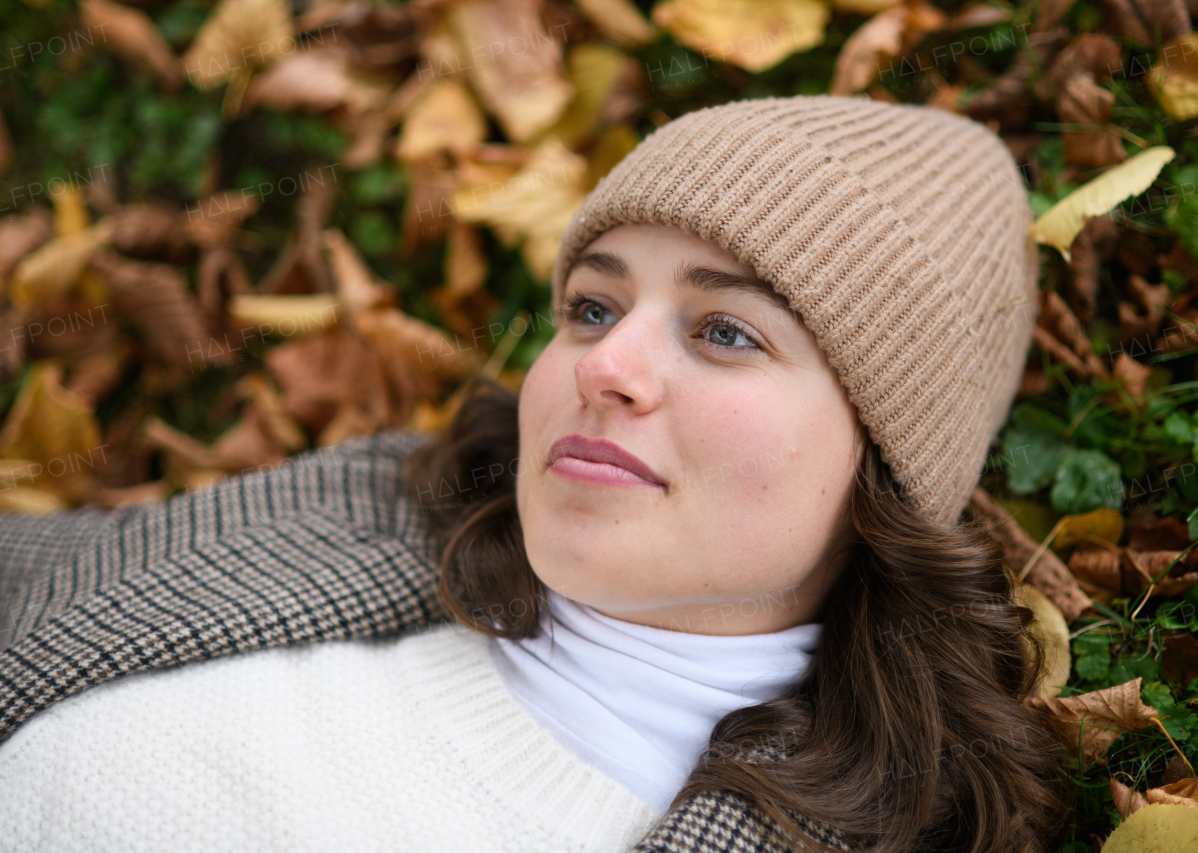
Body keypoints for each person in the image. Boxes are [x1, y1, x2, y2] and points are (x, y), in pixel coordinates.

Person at [0, 95, 1074, 852]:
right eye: (593, 308)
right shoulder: (358, 510)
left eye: (726, 332)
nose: (601, 365)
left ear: (882, 465)